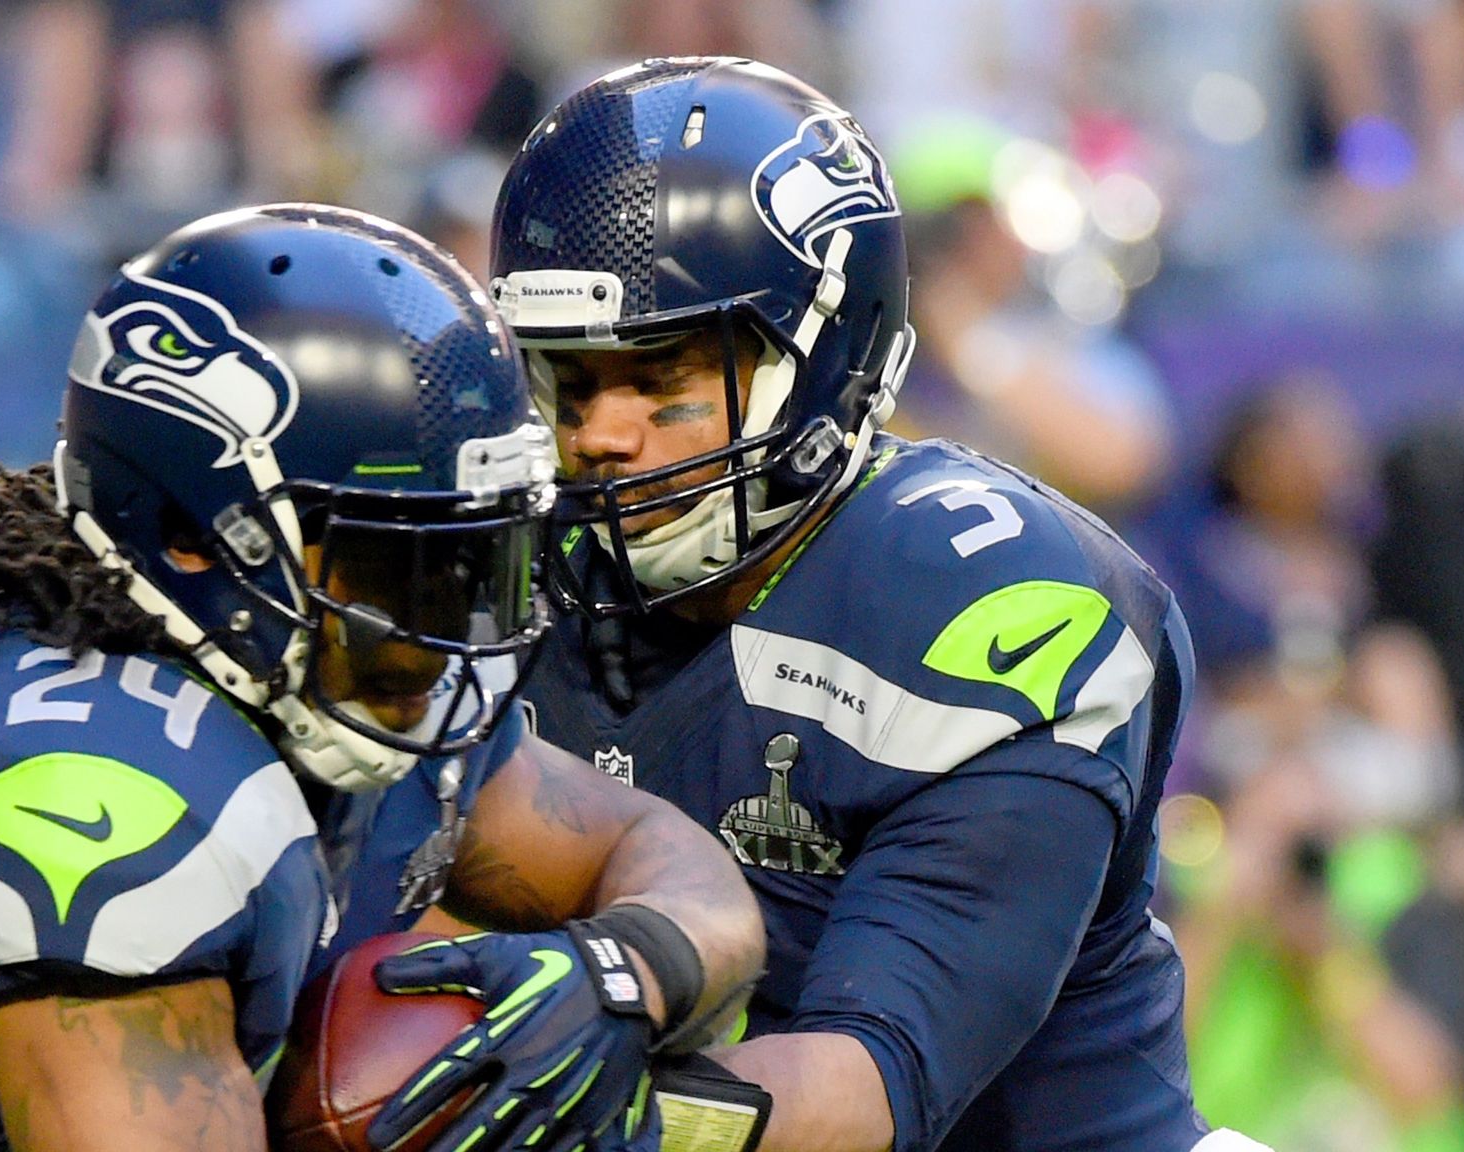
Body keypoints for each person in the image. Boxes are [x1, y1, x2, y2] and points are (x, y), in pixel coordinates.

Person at [0, 205, 765, 1152]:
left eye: (475, 562)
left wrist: (623, 972)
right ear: (196, 536)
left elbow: (664, 863)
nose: (444, 631)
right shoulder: (88, 785)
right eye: (403, 566)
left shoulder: (344, 674)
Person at [489, 58, 1257, 1152]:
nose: (600, 436)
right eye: (570, 378)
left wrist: (556, 1106)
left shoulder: (990, 599)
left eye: (659, 379)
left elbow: (872, 1089)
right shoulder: (504, 582)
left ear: (818, 362)